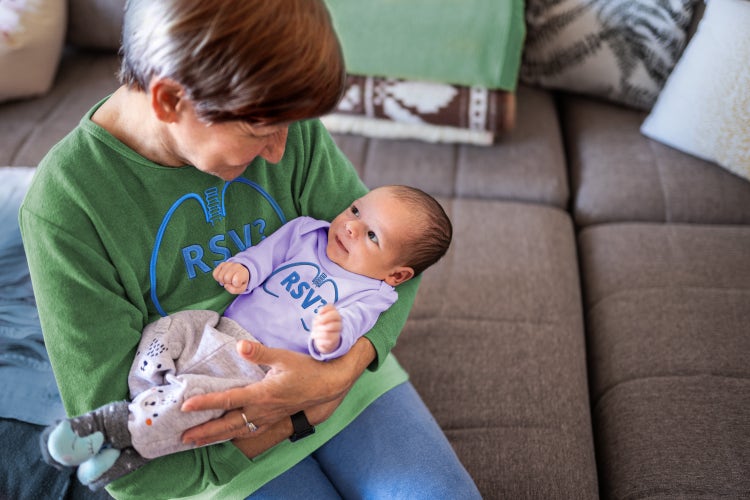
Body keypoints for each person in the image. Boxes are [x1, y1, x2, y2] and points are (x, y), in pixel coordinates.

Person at [20, 0, 481, 498]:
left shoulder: (277, 113)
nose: (281, 151)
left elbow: (397, 265)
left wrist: (339, 373)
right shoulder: (67, 206)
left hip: (346, 383)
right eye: (259, 133)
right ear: (170, 101)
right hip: (212, 442)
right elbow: (133, 467)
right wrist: (296, 415)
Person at [41, 185, 453, 490]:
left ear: (396, 275)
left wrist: (331, 336)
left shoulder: (372, 294)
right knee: (170, 328)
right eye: (355, 209)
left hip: (258, 369)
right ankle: (146, 394)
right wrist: (244, 269)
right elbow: (266, 254)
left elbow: (347, 333)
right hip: (218, 329)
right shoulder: (307, 233)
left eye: (371, 236)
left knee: (196, 397)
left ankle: (111, 429)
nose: (350, 227)